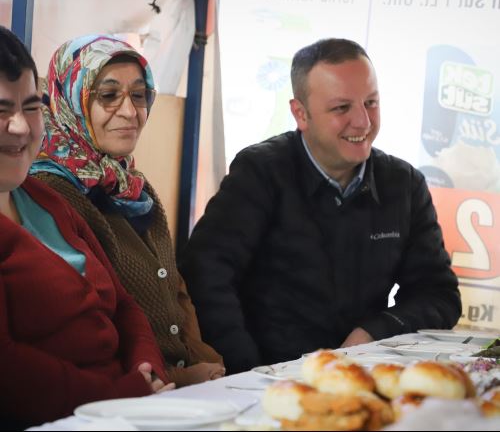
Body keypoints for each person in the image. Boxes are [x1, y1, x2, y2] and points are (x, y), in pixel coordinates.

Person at [179, 38, 462, 374]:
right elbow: (205, 275)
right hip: (266, 380)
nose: (363, 122)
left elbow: (439, 295)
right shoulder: (260, 171)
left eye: (371, 102)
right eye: (342, 108)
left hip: (360, 380)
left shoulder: (403, 184)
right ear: (301, 113)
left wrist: (376, 330)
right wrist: (246, 370)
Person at [0, 27, 173, 429]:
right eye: (0, 110)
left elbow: (125, 305)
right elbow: (8, 370)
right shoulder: (61, 184)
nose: (22, 128)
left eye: (30, 106)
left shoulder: (42, 198)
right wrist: (126, 393)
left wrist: (148, 370)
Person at [30, 34, 224, 387]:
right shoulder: (52, 190)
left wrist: (207, 364)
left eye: (139, 95)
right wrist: (179, 378)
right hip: (122, 395)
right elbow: (88, 323)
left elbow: (176, 292)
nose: (129, 111)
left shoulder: (131, 185)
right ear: (72, 99)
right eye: (108, 95)